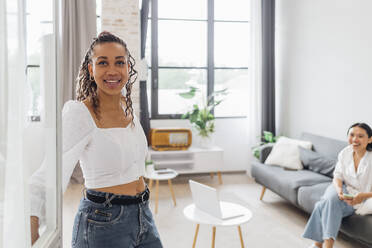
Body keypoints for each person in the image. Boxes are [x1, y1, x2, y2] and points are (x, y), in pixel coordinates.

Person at [30, 31, 163, 248]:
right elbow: (48, 173)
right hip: (103, 221)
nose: (112, 70)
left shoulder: (127, 108)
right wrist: (33, 231)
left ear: (127, 69)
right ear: (91, 70)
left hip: (143, 215)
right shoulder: (80, 114)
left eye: (119, 62)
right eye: (103, 63)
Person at [303, 123, 372, 248]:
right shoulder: (344, 153)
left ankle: (319, 244)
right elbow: (337, 176)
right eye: (352, 135)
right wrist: (339, 190)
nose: (355, 139)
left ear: (370, 139)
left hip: (365, 195)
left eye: (360, 136)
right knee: (333, 198)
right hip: (343, 188)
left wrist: (363, 195)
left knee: (323, 205)